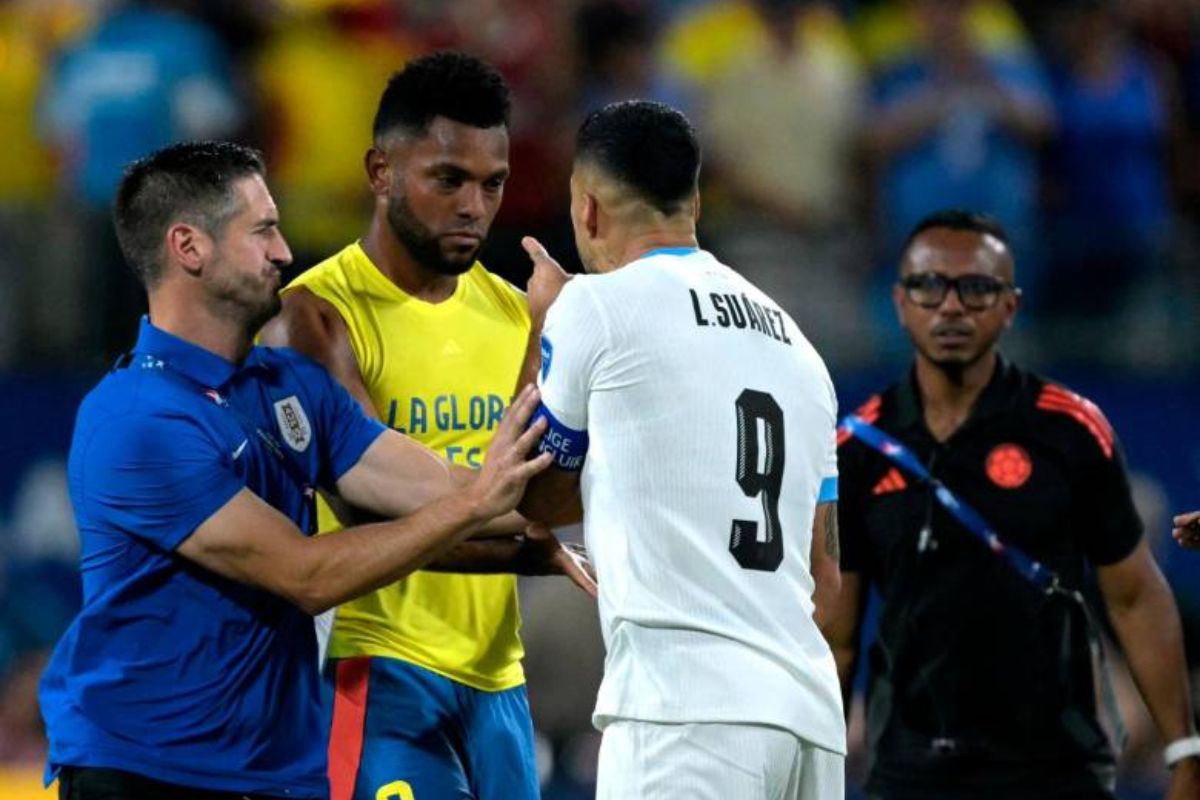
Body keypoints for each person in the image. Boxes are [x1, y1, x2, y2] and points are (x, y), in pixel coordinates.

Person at [38, 141, 556, 800]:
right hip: (146, 773)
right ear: (189, 247)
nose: (285, 252)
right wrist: (478, 502)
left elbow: (443, 485)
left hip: (276, 774)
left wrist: (600, 492)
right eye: (262, 231)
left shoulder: (290, 386)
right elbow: (306, 574)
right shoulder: (137, 421)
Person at [258, 52, 583, 800]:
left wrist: (545, 330)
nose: (474, 206)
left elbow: (538, 484)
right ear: (381, 172)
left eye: (492, 184)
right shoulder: (315, 315)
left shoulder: (513, 311)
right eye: (448, 179)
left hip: (500, 679)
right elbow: (368, 513)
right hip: (375, 669)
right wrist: (540, 553)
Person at [517, 100, 846, 799]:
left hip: (685, 711)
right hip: (809, 718)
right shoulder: (801, 348)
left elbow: (535, 496)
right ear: (694, 200)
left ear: (588, 210)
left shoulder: (596, 307)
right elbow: (827, 574)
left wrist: (542, 321)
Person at [826, 209, 1200, 799]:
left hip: (1055, 771)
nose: (950, 306)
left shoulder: (1073, 431)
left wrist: (1185, 751)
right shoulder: (857, 449)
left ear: (1010, 306)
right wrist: (818, 773)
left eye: (976, 287)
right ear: (900, 302)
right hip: (911, 773)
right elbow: (836, 633)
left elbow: (1134, 596)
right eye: (929, 286)